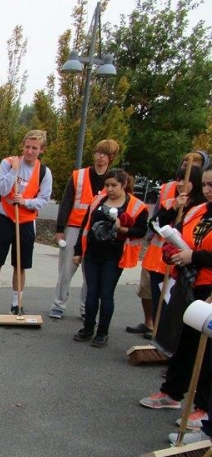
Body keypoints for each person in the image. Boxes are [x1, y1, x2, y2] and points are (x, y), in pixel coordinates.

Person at [140, 164, 211, 433]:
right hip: (188, 285)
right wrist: (172, 251)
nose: (207, 190)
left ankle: (204, 406)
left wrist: (195, 257)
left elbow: (201, 252)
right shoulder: (198, 210)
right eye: (205, 185)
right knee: (185, 343)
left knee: (207, 353)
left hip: (209, 288)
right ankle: (172, 393)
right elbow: (172, 230)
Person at [129, 151, 209, 338]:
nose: (181, 184)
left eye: (185, 180)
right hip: (159, 259)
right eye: (179, 180)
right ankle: (157, 333)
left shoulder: (201, 208)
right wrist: (173, 210)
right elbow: (154, 224)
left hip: (183, 265)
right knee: (156, 299)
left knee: (173, 304)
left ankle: (168, 338)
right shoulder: (171, 201)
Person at [72, 169, 148, 347]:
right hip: (92, 253)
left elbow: (141, 231)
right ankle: (88, 327)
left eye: (114, 185)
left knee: (106, 294)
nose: (110, 189)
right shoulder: (98, 200)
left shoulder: (136, 206)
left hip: (113, 256)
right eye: (107, 185)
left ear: (123, 184)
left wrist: (123, 229)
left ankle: (102, 332)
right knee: (91, 292)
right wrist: (78, 251)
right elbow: (86, 225)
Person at [0, 130, 52, 318]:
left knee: (20, 265)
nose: (30, 151)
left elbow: (44, 199)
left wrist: (26, 202)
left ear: (41, 150)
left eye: (34, 148)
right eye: (27, 147)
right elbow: (1, 189)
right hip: (5, 218)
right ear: (23, 146)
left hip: (26, 222)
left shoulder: (44, 172)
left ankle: (16, 303)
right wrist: (14, 171)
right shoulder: (8, 163)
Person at [49, 139, 119, 320]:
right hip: (74, 226)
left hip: (98, 232)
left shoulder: (113, 181)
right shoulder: (78, 176)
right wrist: (59, 229)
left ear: (111, 158)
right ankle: (59, 304)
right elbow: (66, 203)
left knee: (91, 273)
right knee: (66, 270)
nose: (100, 156)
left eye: (105, 154)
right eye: (98, 152)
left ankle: (86, 308)